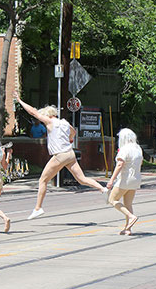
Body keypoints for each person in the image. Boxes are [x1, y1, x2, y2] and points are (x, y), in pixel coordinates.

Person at [14, 90, 107, 220]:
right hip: (70, 153)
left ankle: (38, 208)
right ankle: (103, 190)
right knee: (81, 179)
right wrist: (69, 139)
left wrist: (19, 101)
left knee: (43, 180)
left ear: (47, 115)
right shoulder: (64, 122)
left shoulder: (50, 122)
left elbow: (32, 112)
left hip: (60, 155)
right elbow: (73, 132)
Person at [106, 128, 143, 235]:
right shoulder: (138, 148)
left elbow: (119, 165)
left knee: (112, 199)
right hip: (136, 178)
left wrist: (111, 180)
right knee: (128, 204)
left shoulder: (124, 149)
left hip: (125, 179)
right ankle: (128, 229)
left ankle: (131, 217)